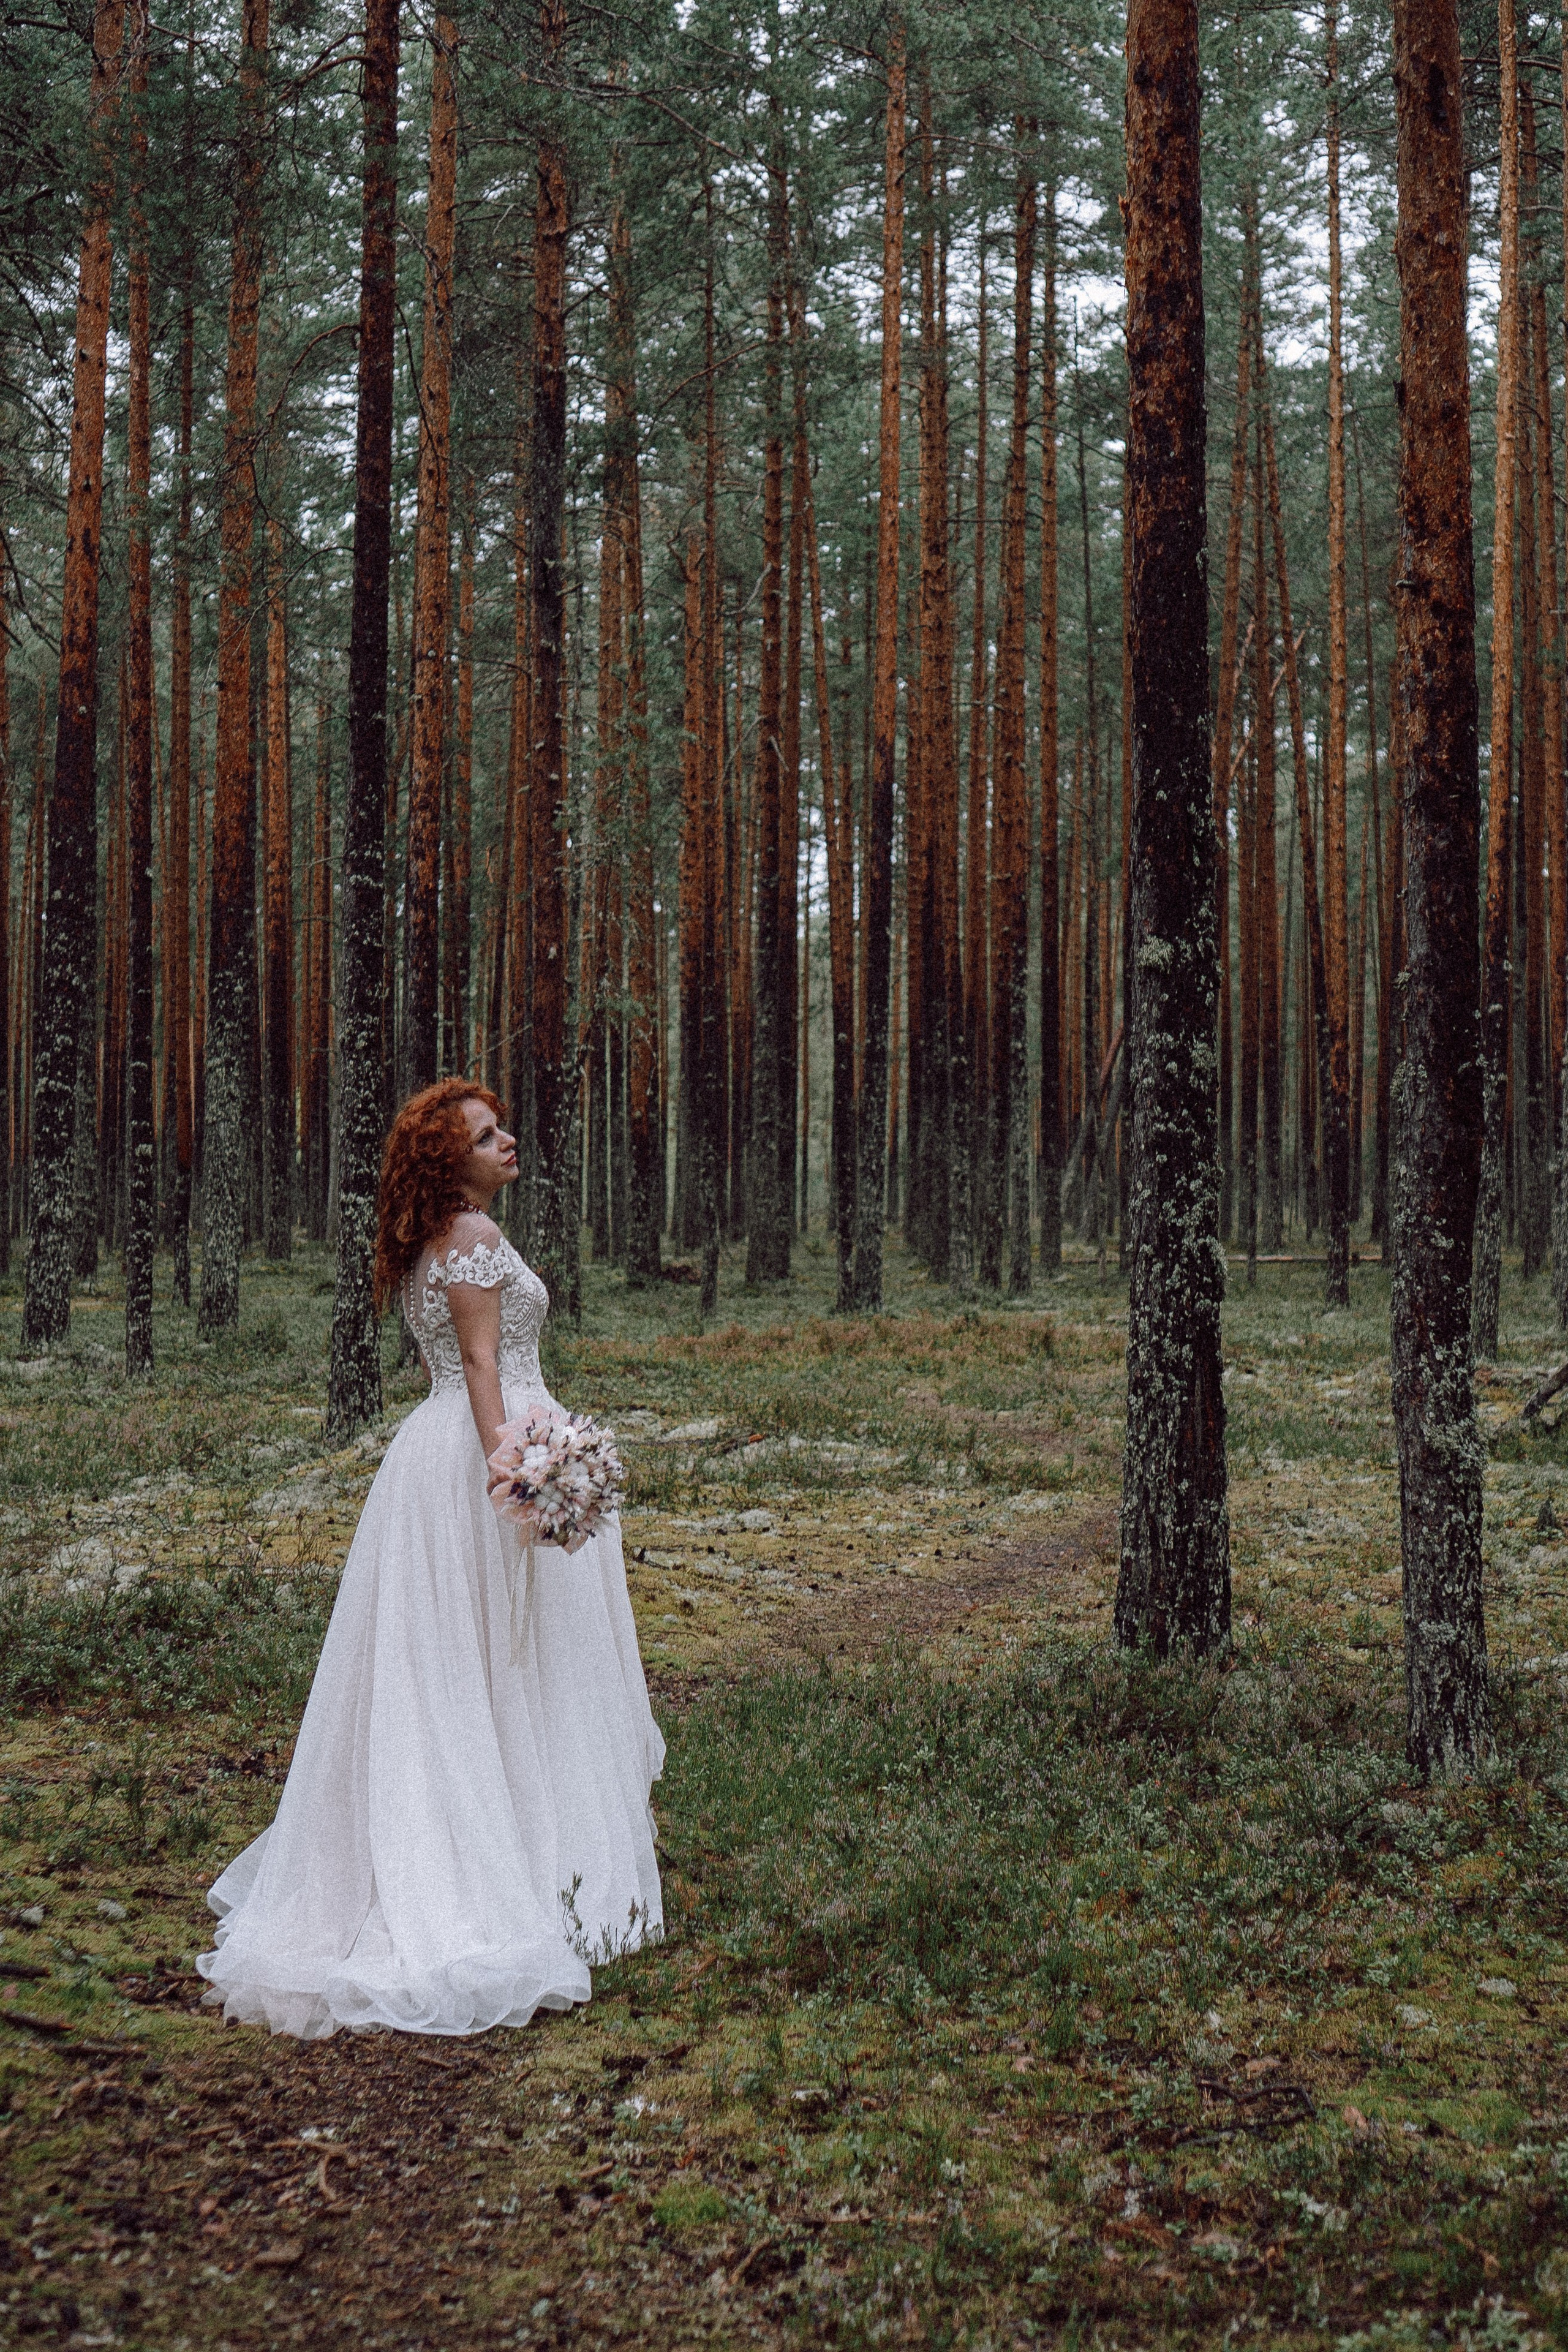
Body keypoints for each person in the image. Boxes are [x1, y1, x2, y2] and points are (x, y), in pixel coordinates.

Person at [197, 1079, 664, 2038]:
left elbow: (453, 1364)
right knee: (505, 1661)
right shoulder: (476, 1241)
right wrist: (519, 1472)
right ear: (451, 1161)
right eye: (490, 1136)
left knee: (462, 1666)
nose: (510, 1141)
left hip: (435, 1454)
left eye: (503, 1126)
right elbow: (485, 1364)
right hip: (484, 1449)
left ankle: (505, 1843)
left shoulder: (431, 1243)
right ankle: (524, 1866)